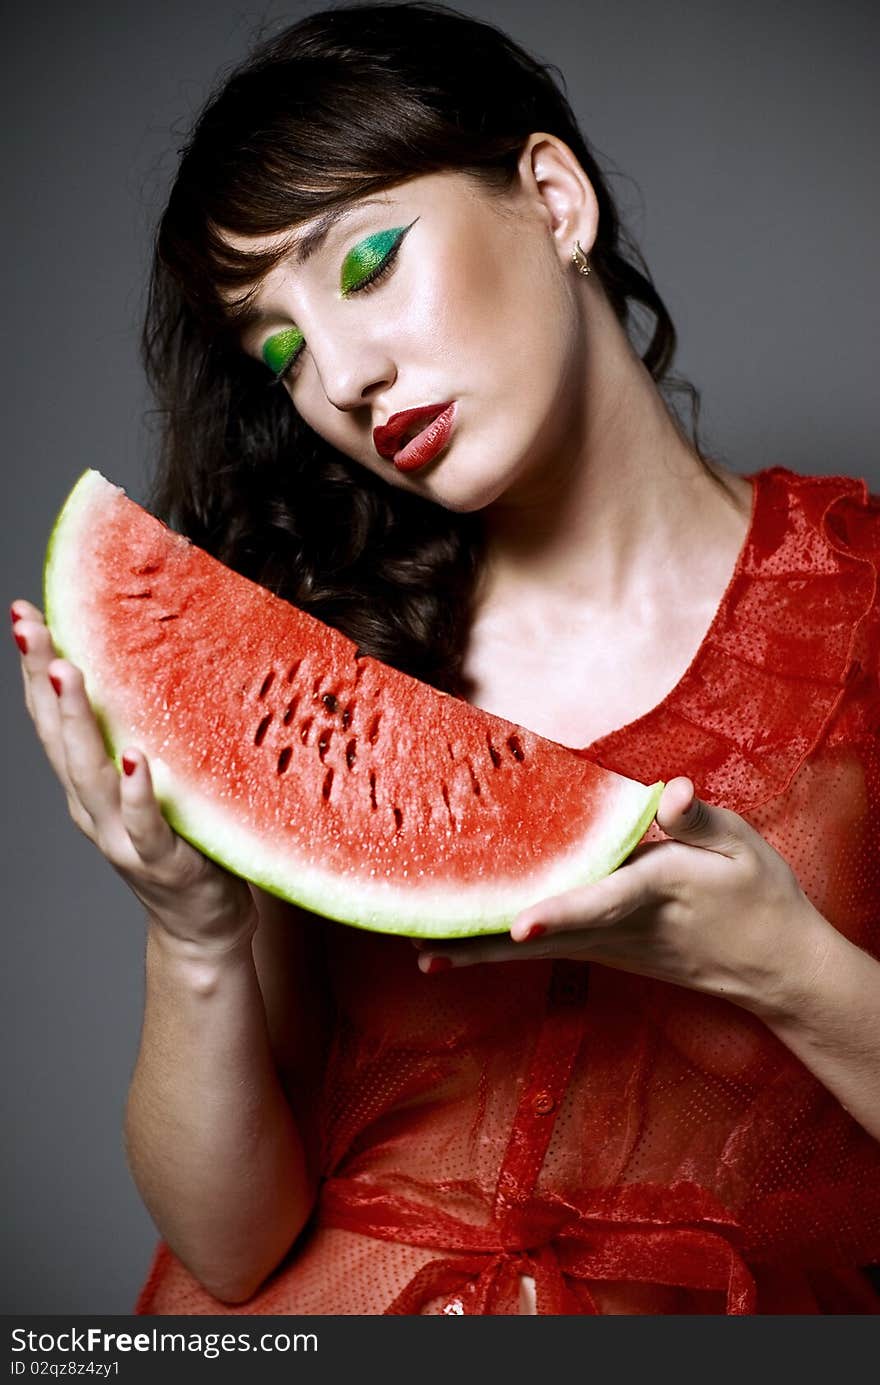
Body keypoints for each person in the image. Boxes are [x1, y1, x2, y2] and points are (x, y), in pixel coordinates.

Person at [11, 1, 880, 1315]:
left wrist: (783, 963)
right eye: (284, 350)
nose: (344, 375)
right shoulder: (332, 657)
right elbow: (233, 1245)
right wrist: (190, 936)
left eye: (365, 266)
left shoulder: (859, 602)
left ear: (553, 198)